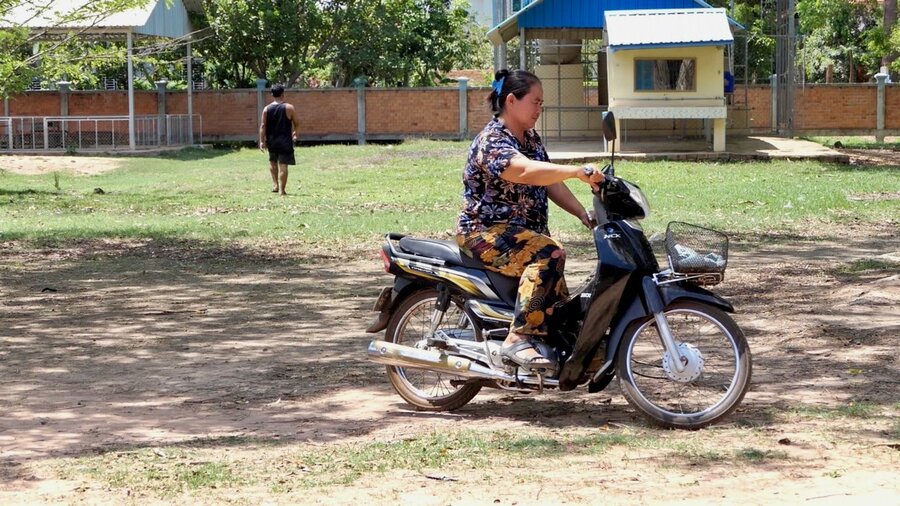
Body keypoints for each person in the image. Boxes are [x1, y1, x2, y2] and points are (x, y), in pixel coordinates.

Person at [455, 69, 605, 373]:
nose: (540, 109)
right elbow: (524, 172)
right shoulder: (493, 141)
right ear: (512, 100)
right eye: (535, 102)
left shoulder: (531, 139)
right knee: (549, 253)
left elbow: (548, 181)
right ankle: (517, 337)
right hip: (483, 234)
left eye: (541, 103)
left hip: (523, 235)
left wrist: (583, 214)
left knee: (563, 311)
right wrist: (575, 170)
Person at [259, 83, 300, 195]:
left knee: (272, 163)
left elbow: (263, 126)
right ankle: (282, 190)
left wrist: (262, 141)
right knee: (283, 166)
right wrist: (296, 133)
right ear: (283, 94)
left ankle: (275, 185)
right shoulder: (289, 108)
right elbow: (297, 123)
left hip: (272, 141)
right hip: (285, 142)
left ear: (272, 94)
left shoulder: (266, 109)